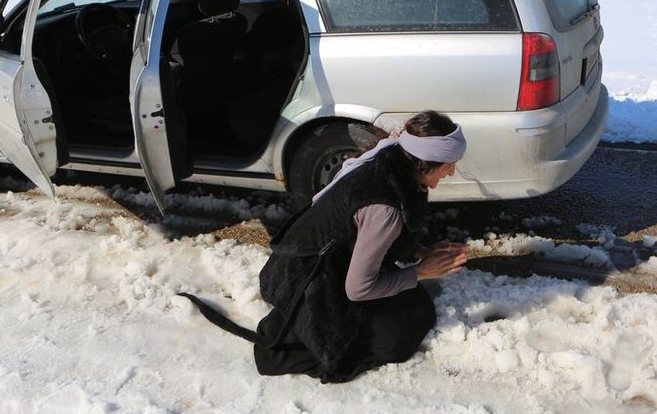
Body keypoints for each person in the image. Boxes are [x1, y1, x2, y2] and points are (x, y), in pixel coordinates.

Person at [179, 110, 469, 382]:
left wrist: (420, 252)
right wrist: (420, 272)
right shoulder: (385, 209)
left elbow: (371, 234)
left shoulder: (391, 160)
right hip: (312, 281)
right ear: (425, 163)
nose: (452, 173)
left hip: (322, 263)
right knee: (401, 333)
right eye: (448, 165)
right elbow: (359, 289)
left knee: (413, 304)